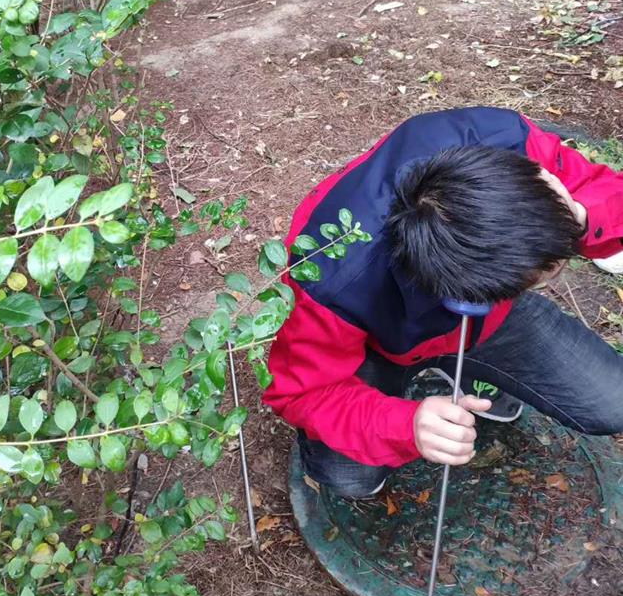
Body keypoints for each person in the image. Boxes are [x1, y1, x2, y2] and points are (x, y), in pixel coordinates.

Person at [263, 106, 623, 498]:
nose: (554, 273)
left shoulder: (506, 142)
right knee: (351, 481)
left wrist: (581, 215)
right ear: (463, 293)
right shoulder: (328, 281)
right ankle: (416, 378)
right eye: (538, 278)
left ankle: (463, 366)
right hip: (372, 347)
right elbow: (301, 391)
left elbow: (604, 191)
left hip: (491, 322)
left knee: (613, 403)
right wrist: (407, 425)